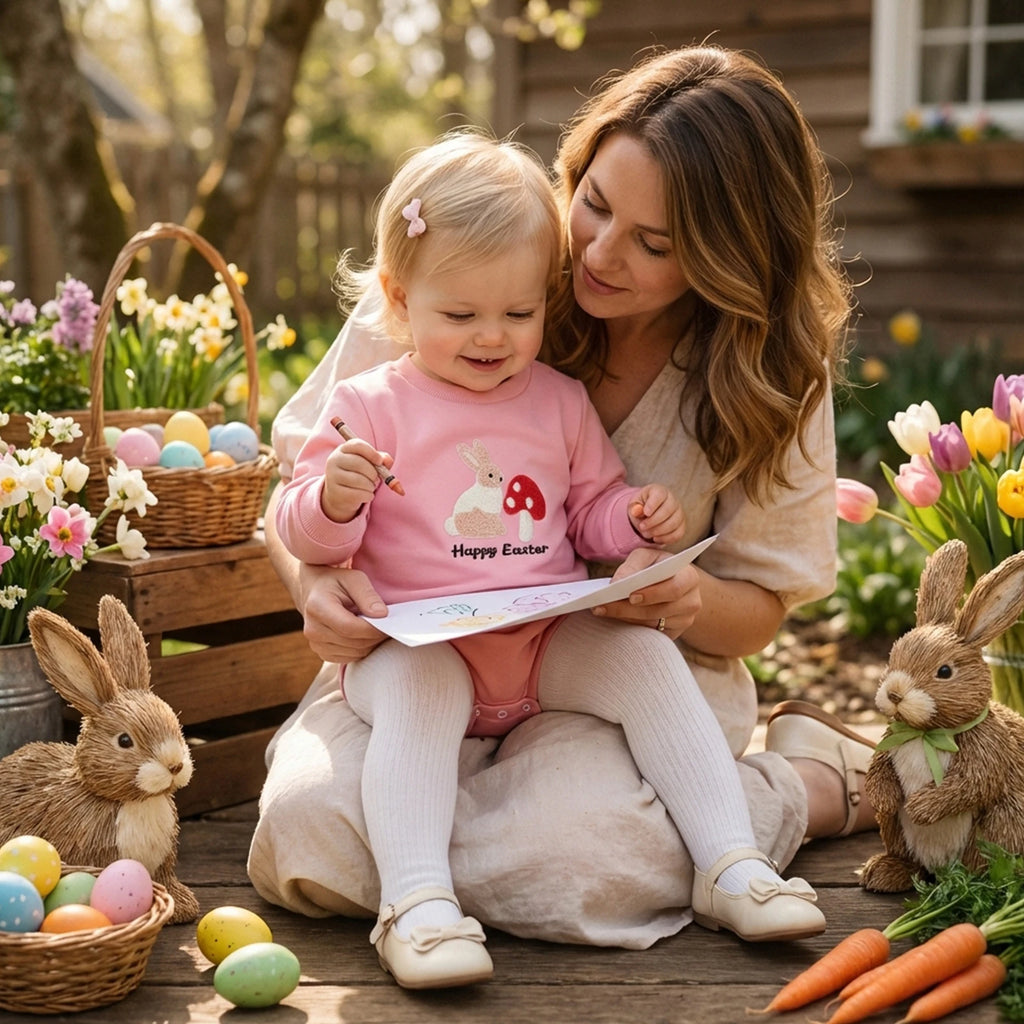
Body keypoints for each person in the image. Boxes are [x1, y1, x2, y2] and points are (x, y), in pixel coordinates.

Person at [248, 43, 878, 954]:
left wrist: (685, 596)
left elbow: (758, 605)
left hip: (599, 668)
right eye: (594, 203)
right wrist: (314, 586)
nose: (597, 253)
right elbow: (299, 490)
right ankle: (434, 884)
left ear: (729, 259)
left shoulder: (775, 375)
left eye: (655, 244)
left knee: (583, 856)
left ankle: (805, 787)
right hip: (416, 655)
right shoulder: (466, 255)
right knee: (312, 837)